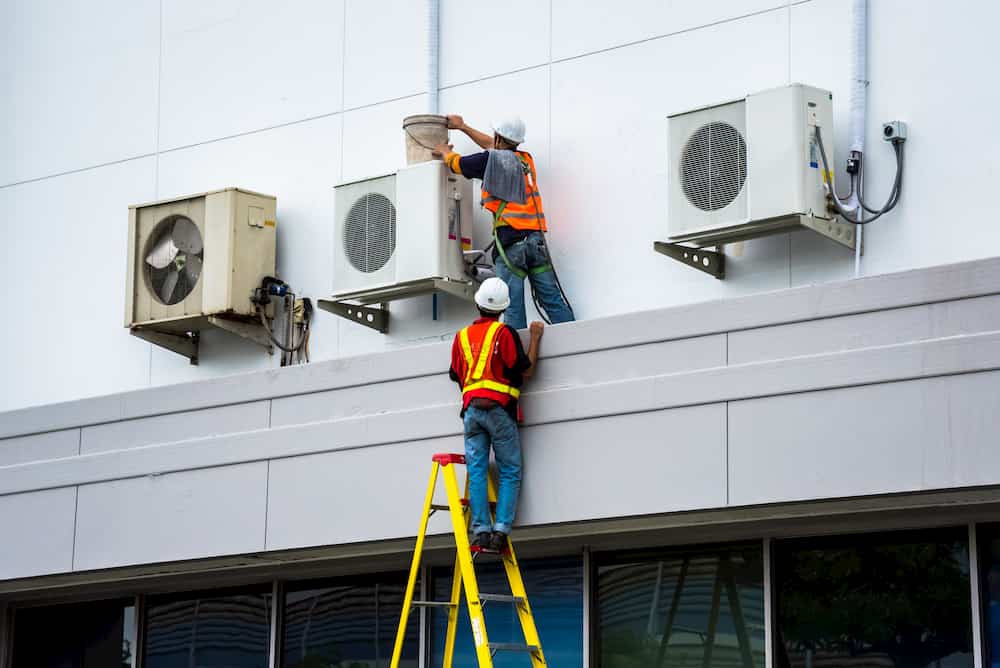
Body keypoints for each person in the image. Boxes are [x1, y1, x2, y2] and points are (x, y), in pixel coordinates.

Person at [433, 115, 575, 331]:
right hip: (536, 243)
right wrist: (463, 127)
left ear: (498, 137)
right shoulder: (526, 160)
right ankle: (574, 338)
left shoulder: (489, 161)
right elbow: (495, 147)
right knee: (552, 300)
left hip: (511, 244)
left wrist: (445, 152)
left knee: (512, 308)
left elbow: (458, 164)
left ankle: (515, 355)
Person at [449, 277, 544, 551]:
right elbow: (525, 372)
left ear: (478, 303)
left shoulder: (461, 337)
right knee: (510, 469)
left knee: (476, 470)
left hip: (471, 413)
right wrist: (535, 338)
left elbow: (457, 374)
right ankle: (501, 531)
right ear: (503, 308)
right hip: (499, 411)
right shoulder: (504, 334)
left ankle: (480, 532)